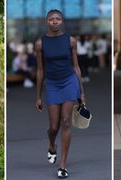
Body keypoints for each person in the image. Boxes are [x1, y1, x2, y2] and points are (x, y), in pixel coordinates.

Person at [35, 9, 86, 179]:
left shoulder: (71, 41)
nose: (55, 21)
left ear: (62, 21)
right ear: (47, 22)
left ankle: (63, 165)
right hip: (53, 85)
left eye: (57, 19)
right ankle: (51, 144)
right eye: (51, 19)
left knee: (66, 122)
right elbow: (40, 70)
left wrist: (81, 92)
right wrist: (38, 96)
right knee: (53, 127)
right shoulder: (40, 43)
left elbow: (76, 67)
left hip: (69, 82)